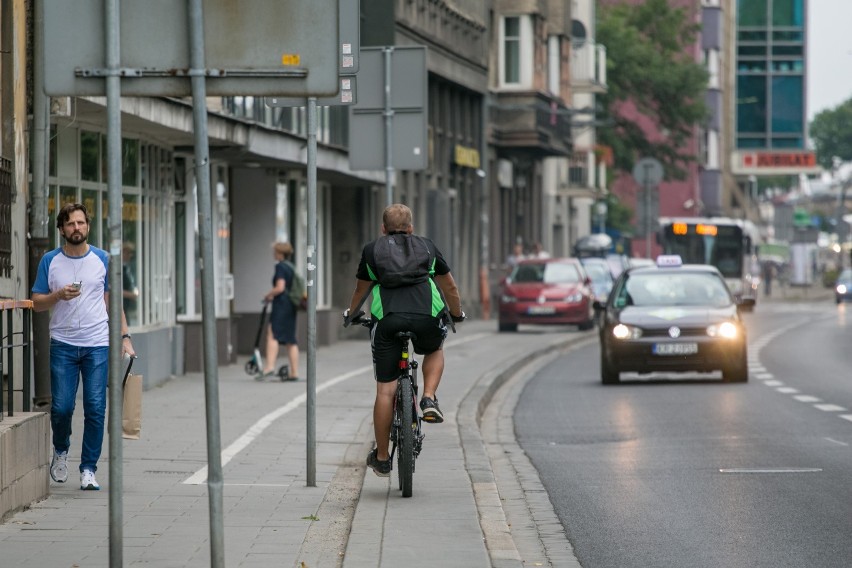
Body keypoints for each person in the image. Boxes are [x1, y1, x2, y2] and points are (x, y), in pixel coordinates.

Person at [345, 204, 465, 477]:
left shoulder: (372, 250)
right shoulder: (428, 247)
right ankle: (428, 397)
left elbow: (360, 290)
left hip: (388, 320)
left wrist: (351, 314)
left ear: (383, 228)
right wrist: (456, 313)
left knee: (385, 391)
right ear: (411, 228)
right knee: (434, 348)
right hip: (427, 315)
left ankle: (383, 457)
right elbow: (450, 286)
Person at [31, 203, 136, 491]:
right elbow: (36, 303)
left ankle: (88, 468)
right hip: (63, 344)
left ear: (87, 226)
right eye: (70, 224)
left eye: (80, 223)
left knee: (95, 407)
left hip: (97, 345)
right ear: (61, 229)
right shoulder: (50, 261)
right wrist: (57, 295)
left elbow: (113, 302)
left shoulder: (102, 258)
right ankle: (61, 449)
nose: (76, 228)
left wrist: (124, 337)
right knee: (62, 408)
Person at [258, 241, 299, 381]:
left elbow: (280, 287)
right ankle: (294, 372)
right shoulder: (291, 267)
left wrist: (268, 294)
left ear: (280, 253)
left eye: (275, 251)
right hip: (291, 305)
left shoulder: (280, 267)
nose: (273, 254)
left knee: (272, 334)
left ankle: (269, 367)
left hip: (281, 304)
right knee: (290, 339)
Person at [122, 242, 139, 324]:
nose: (130, 256)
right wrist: (131, 295)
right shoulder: (118, 270)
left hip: (126, 307)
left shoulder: (127, 268)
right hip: (120, 306)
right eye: (128, 253)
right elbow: (114, 289)